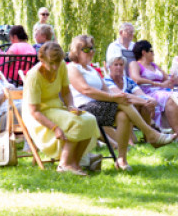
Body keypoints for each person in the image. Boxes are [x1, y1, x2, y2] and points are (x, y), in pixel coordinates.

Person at [67, 35, 172, 171]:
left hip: (100, 107)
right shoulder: (73, 68)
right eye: (86, 49)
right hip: (83, 108)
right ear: (76, 51)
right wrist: (115, 98)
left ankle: (122, 160)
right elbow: (86, 90)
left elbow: (108, 92)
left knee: (123, 114)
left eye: (92, 49)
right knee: (120, 102)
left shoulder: (93, 70)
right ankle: (150, 133)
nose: (91, 52)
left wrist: (122, 97)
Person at [22, 42, 99, 176]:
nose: (56, 66)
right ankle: (64, 164)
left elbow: (66, 92)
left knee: (90, 119)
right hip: (38, 113)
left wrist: (71, 106)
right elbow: (34, 111)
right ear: (42, 60)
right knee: (77, 123)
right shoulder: (34, 76)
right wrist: (55, 128)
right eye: (51, 63)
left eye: (58, 62)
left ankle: (75, 163)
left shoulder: (61, 65)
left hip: (56, 108)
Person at [127, 40, 178, 132]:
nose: (153, 53)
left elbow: (167, 78)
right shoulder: (135, 64)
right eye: (151, 51)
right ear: (144, 52)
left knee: (175, 96)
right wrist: (158, 84)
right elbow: (136, 79)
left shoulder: (155, 66)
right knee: (170, 98)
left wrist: (171, 79)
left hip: (162, 91)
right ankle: (177, 132)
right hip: (146, 93)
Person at [106, 55, 160, 133]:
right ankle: (150, 133)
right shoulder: (107, 80)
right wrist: (145, 102)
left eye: (121, 65)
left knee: (144, 106)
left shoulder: (128, 80)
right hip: (113, 110)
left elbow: (141, 94)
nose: (119, 67)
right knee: (138, 104)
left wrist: (152, 100)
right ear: (110, 67)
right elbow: (122, 96)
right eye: (116, 64)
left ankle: (147, 137)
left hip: (130, 106)